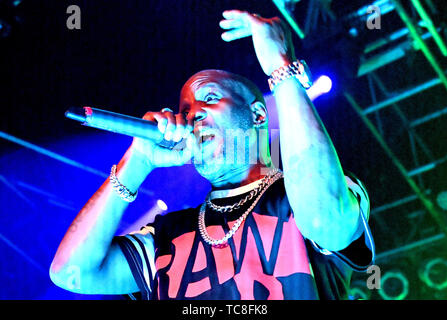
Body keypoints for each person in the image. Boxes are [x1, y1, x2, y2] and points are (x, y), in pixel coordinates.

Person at [50, 10, 374, 300]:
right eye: (185, 109)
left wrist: (279, 67)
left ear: (258, 115)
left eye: (210, 97)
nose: (193, 114)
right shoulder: (166, 238)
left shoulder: (312, 193)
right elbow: (70, 273)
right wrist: (137, 162)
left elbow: (324, 217)